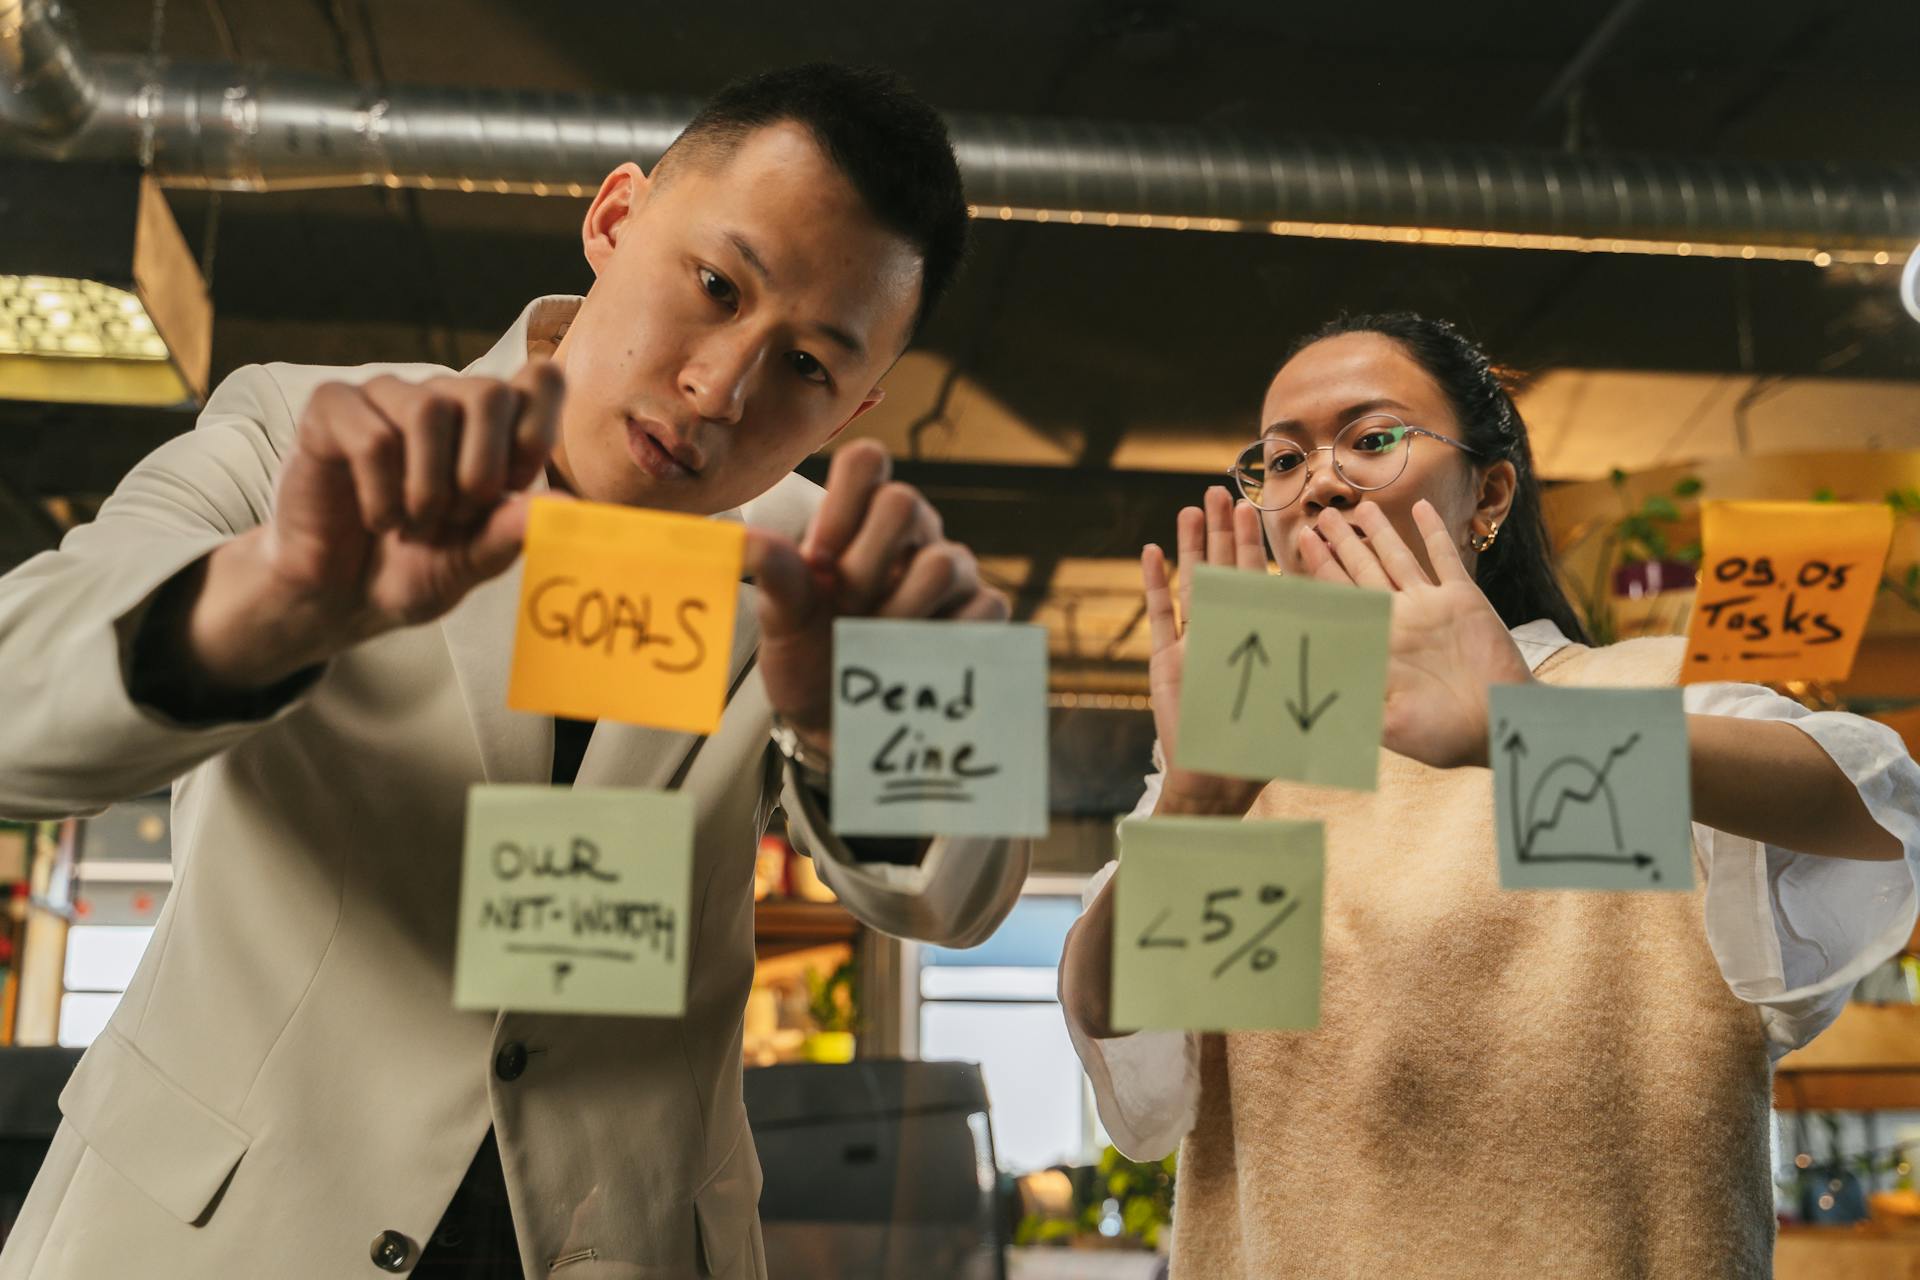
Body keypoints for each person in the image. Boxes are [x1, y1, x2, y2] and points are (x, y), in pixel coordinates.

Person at [0, 64, 1029, 1279]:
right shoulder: (304, 431)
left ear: (859, 403)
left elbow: (962, 900)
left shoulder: (844, 575)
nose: (719, 388)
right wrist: (269, 600)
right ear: (612, 218)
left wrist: (865, 730)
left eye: (807, 365)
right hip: (220, 1231)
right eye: (715, 285)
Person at [1059, 312, 1920, 1278]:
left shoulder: (1632, 699)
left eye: (1372, 438)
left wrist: (1527, 735)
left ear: (1489, 492)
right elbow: (1140, 1064)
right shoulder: (1253, 783)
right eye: (1283, 460)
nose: (1325, 480)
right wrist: (1193, 815)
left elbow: (1880, 815)